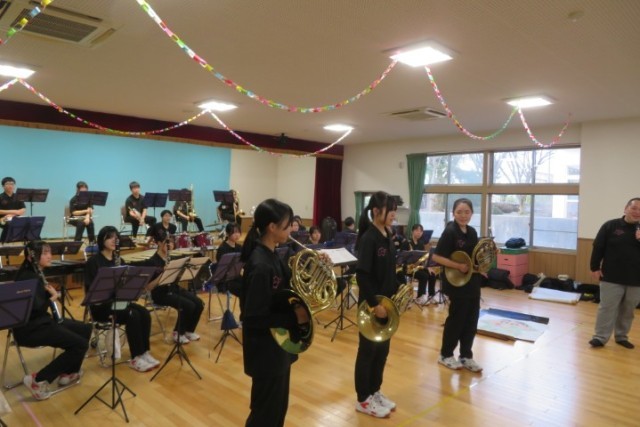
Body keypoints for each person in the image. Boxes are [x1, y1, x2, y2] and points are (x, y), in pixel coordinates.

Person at [240, 198, 303, 427]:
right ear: (272, 227)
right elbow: (253, 317)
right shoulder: (260, 264)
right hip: (265, 350)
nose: (291, 230)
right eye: (287, 226)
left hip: (277, 346)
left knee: (277, 409)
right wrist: (293, 317)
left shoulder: (273, 254)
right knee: (264, 413)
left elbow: (286, 289)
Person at [14, 241, 92, 401]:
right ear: (31, 257)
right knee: (80, 345)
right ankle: (37, 380)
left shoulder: (35, 272)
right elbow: (35, 309)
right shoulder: (27, 278)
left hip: (42, 322)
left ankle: (69, 373)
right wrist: (53, 298)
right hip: (31, 329)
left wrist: (48, 295)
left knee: (85, 330)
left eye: (49, 252)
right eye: (44, 253)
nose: (50, 256)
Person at [84, 226, 160, 372]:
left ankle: (144, 352)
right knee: (132, 315)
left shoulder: (119, 260)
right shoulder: (93, 262)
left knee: (144, 313)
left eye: (116, 237)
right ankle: (136, 357)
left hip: (119, 302)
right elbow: (91, 292)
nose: (114, 240)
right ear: (102, 240)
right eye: (110, 237)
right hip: (101, 307)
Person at [354, 191, 400, 418]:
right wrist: (374, 305)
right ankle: (363, 399)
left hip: (386, 304)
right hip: (372, 306)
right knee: (368, 352)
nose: (394, 214)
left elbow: (389, 269)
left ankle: (374, 391)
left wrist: (398, 288)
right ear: (376, 211)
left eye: (394, 210)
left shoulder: (388, 234)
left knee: (382, 351)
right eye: (390, 210)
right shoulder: (369, 238)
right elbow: (362, 276)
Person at [432, 198, 483, 373]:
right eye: (459, 212)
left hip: (472, 282)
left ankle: (466, 355)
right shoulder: (450, 232)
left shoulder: (472, 232)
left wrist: (481, 266)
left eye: (467, 212)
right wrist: (458, 266)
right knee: (457, 320)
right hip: (456, 282)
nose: (463, 215)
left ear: (472, 213)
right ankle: (445, 355)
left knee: (471, 320)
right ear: (453, 213)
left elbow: (474, 257)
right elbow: (436, 257)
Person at [589, 197, 640, 349]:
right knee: (606, 308)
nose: (637, 212)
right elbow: (598, 246)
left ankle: (621, 336)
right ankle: (600, 337)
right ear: (626, 208)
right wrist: (594, 267)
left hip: (636, 279)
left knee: (628, 310)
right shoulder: (610, 226)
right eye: (634, 208)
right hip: (611, 276)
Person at [144, 227, 204, 344]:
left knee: (198, 303)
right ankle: (178, 333)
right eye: (166, 242)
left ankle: (189, 330)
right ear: (159, 243)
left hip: (173, 288)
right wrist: (163, 274)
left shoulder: (171, 258)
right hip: (160, 293)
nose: (170, 245)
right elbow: (148, 287)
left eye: (171, 242)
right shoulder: (152, 261)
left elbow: (175, 278)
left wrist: (181, 271)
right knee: (188, 305)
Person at [401, 224, 437, 305]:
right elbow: (402, 258)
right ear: (412, 231)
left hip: (418, 267)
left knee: (432, 274)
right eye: (417, 230)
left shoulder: (421, 243)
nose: (419, 232)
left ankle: (431, 295)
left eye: (421, 231)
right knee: (424, 276)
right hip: (408, 268)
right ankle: (420, 297)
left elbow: (423, 258)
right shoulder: (406, 243)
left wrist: (427, 267)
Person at [215, 222, 243, 297]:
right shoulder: (222, 248)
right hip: (224, 280)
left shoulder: (239, 247)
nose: (237, 235)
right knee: (243, 290)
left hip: (236, 276)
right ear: (227, 234)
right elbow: (222, 268)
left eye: (238, 232)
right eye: (234, 232)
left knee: (251, 285)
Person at [0, 177, 26, 242]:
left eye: (12, 184)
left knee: (29, 223)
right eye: (8, 184)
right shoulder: (0, 197)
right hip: (2, 219)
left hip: (16, 218)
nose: (10, 186)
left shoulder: (18, 197)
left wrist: (11, 215)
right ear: (3, 186)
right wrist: (15, 212)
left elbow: (22, 211)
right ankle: (4, 241)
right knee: (9, 223)